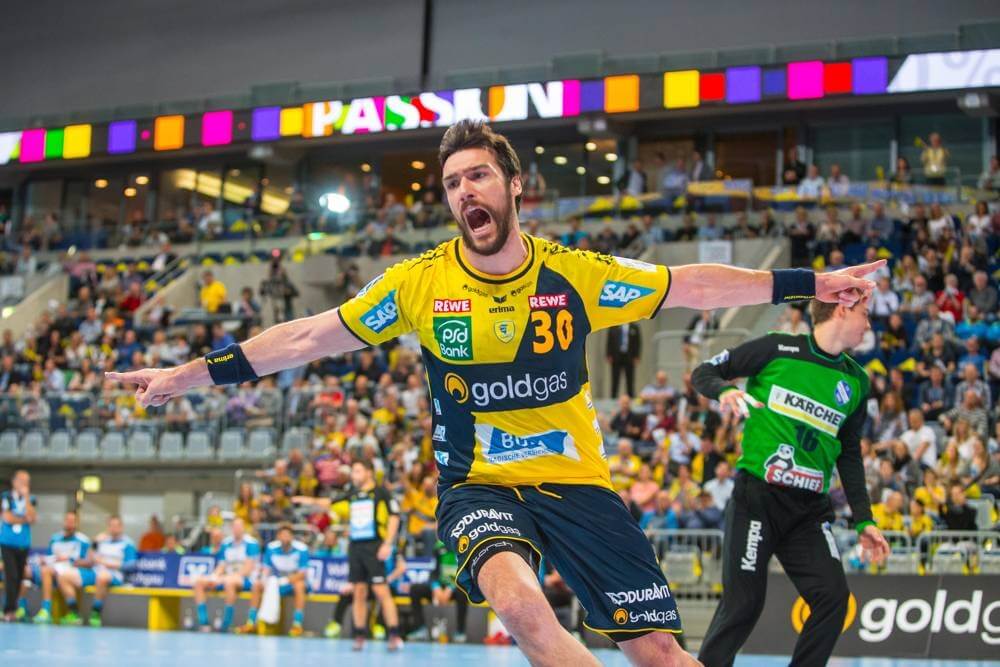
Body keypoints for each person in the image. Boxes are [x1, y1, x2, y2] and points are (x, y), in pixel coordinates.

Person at [109, 119, 880, 667]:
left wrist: (811, 280)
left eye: (478, 174)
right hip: (478, 483)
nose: (463, 190)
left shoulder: (575, 273)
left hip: (577, 483)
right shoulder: (419, 285)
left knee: (659, 652)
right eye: (451, 182)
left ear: (514, 186)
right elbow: (307, 336)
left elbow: (690, 284)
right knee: (518, 605)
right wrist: (185, 376)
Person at [692, 295, 890, 666]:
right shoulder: (778, 347)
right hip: (758, 499)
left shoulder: (856, 381)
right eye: (865, 314)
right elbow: (704, 371)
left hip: (809, 512)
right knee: (743, 605)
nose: (869, 325)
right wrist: (726, 390)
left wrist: (865, 519)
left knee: (833, 598)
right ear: (842, 309)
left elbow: (849, 454)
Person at [294, 460, 402, 652]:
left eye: (358, 470)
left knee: (380, 591)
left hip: (374, 546)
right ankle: (360, 634)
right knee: (358, 591)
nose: (354, 475)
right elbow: (329, 503)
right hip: (355, 547)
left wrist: (387, 543)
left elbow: (395, 516)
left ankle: (394, 634)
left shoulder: (382, 493)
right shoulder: (352, 495)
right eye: (353, 472)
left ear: (369, 472)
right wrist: (308, 500)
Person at [237, 523, 310, 637]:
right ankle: (251, 622)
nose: (285, 537)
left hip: (292, 582)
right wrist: (264, 580)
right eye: (283, 535)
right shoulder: (271, 548)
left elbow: (302, 574)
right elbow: (266, 569)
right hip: (275, 582)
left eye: (288, 535)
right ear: (278, 536)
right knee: (256, 585)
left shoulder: (302, 549)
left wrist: (287, 580)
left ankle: (297, 625)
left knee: (299, 586)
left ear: (292, 536)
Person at [190, 518, 261, 632]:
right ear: (232, 528)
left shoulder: (251, 544)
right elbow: (222, 565)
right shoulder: (226, 543)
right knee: (199, 582)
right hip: (227, 577)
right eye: (235, 527)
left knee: (229, 583)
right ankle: (204, 623)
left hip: (247, 579)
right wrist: (214, 576)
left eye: (239, 527)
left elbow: (247, 570)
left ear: (244, 528)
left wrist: (227, 578)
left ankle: (226, 624)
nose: (237, 529)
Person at [29, 511, 91, 624]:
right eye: (68, 520)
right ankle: (45, 610)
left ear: (77, 523)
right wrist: (46, 560)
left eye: (73, 521)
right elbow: (49, 556)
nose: (69, 523)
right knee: (35, 572)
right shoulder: (55, 538)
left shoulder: (83, 540)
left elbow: (84, 561)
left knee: (57, 574)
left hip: (71, 570)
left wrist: (67, 559)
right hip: (52, 569)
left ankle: (72, 612)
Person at [83, 515, 138, 627]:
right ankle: (72, 611)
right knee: (67, 576)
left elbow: (131, 565)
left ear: (121, 527)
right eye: (111, 525)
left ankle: (96, 612)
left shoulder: (128, 543)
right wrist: (94, 542)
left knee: (102, 576)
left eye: (116, 525)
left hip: (115, 575)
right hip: (95, 571)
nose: (113, 528)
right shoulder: (102, 541)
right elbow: (88, 559)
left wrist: (106, 563)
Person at [0, 470, 36, 621]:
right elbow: (7, 518)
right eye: (22, 480)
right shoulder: (6, 496)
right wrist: (23, 519)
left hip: (23, 543)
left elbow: (32, 517)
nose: (24, 483)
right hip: (8, 542)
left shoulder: (31, 498)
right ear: (14, 481)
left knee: (20, 576)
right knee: (11, 575)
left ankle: (14, 608)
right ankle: (9, 610)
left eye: (27, 480)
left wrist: (26, 497)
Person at [606, 321, 641, 398]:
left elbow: (638, 343)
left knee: (630, 378)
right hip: (616, 356)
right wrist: (608, 354)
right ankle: (613, 397)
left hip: (629, 356)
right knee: (615, 378)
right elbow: (609, 341)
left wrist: (637, 356)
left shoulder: (634, 327)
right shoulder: (613, 325)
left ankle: (631, 396)